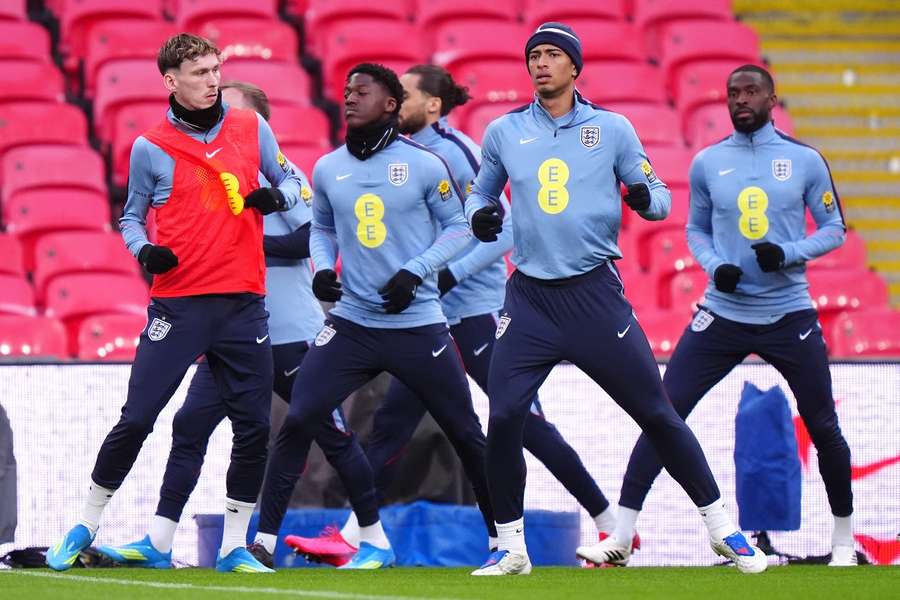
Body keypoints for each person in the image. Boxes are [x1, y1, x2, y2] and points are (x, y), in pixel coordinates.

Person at [289, 64, 632, 567]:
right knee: (391, 426)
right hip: (419, 321)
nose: (394, 102)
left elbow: (505, 230)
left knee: (520, 422)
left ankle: (605, 522)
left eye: (404, 94)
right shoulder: (380, 156)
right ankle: (357, 536)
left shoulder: (454, 152)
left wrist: (445, 276)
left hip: (470, 312)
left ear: (431, 105)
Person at [463, 23, 768, 575]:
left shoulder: (612, 128)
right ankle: (510, 546)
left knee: (656, 411)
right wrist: (479, 216)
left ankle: (723, 529)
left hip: (592, 294)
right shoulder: (504, 131)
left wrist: (645, 195)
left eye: (554, 55)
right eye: (534, 55)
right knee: (505, 415)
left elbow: (658, 200)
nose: (541, 64)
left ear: (575, 67)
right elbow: (480, 193)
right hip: (529, 298)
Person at [90, 81, 387, 571]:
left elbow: (309, 238)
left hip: (289, 331)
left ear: (258, 121)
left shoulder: (281, 176)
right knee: (190, 426)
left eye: (231, 107)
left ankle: (373, 537)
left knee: (329, 432)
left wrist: (235, 244)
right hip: (231, 327)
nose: (218, 112)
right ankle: (160, 541)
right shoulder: (205, 175)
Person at [46, 34, 302, 573]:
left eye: (216, 69)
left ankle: (236, 544)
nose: (213, 80)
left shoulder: (250, 127)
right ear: (171, 81)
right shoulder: (150, 146)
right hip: (179, 305)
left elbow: (295, 183)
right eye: (201, 72)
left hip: (243, 305)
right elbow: (130, 217)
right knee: (138, 417)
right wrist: (146, 251)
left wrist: (277, 196)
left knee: (253, 426)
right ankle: (85, 522)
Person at [609, 64, 856, 567]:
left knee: (823, 425)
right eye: (733, 93)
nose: (741, 100)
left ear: (771, 98)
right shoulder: (707, 162)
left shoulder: (804, 159)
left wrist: (788, 253)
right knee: (663, 413)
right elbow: (695, 230)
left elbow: (835, 228)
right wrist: (714, 264)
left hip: (789, 314)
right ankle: (620, 534)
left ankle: (844, 542)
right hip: (722, 312)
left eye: (751, 92)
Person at [253, 62, 498, 570]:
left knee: (466, 431)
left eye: (361, 91)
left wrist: (417, 270)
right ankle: (262, 543)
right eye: (346, 90)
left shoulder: (429, 163)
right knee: (300, 417)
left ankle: (506, 541)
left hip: (418, 325)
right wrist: (323, 268)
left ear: (390, 104)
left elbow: (462, 228)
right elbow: (321, 229)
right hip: (351, 324)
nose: (349, 97)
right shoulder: (327, 167)